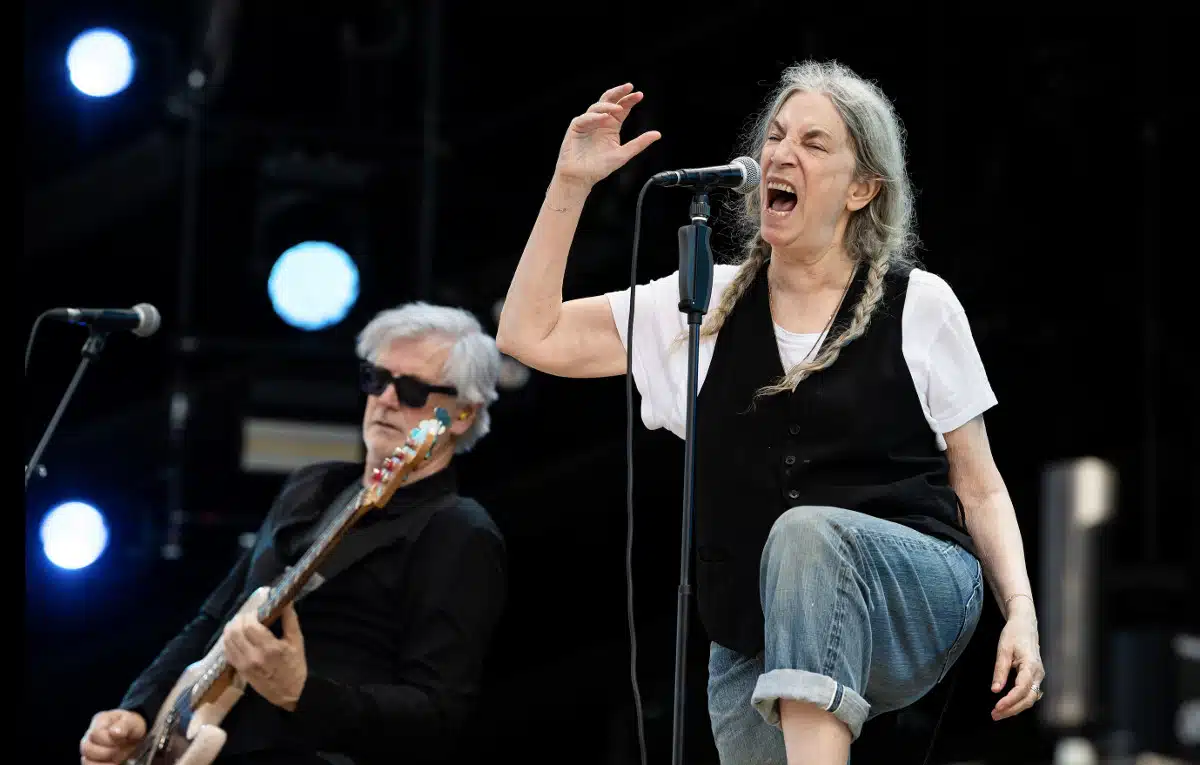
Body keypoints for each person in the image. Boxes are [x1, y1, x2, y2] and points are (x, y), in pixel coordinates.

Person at [496, 60, 1044, 765]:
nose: (782, 153)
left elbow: (980, 484)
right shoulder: (701, 308)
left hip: (916, 594)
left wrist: (1021, 613)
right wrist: (570, 183)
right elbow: (529, 335)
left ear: (862, 189)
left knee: (806, 533)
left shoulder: (921, 304)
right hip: (756, 633)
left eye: (814, 144)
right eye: (777, 135)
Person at [80, 302, 508, 765]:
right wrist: (140, 710)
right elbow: (214, 617)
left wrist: (303, 695)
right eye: (376, 378)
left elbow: (438, 715)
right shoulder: (312, 485)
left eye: (412, 389)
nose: (385, 398)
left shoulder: (459, 530)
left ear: (463, 415)